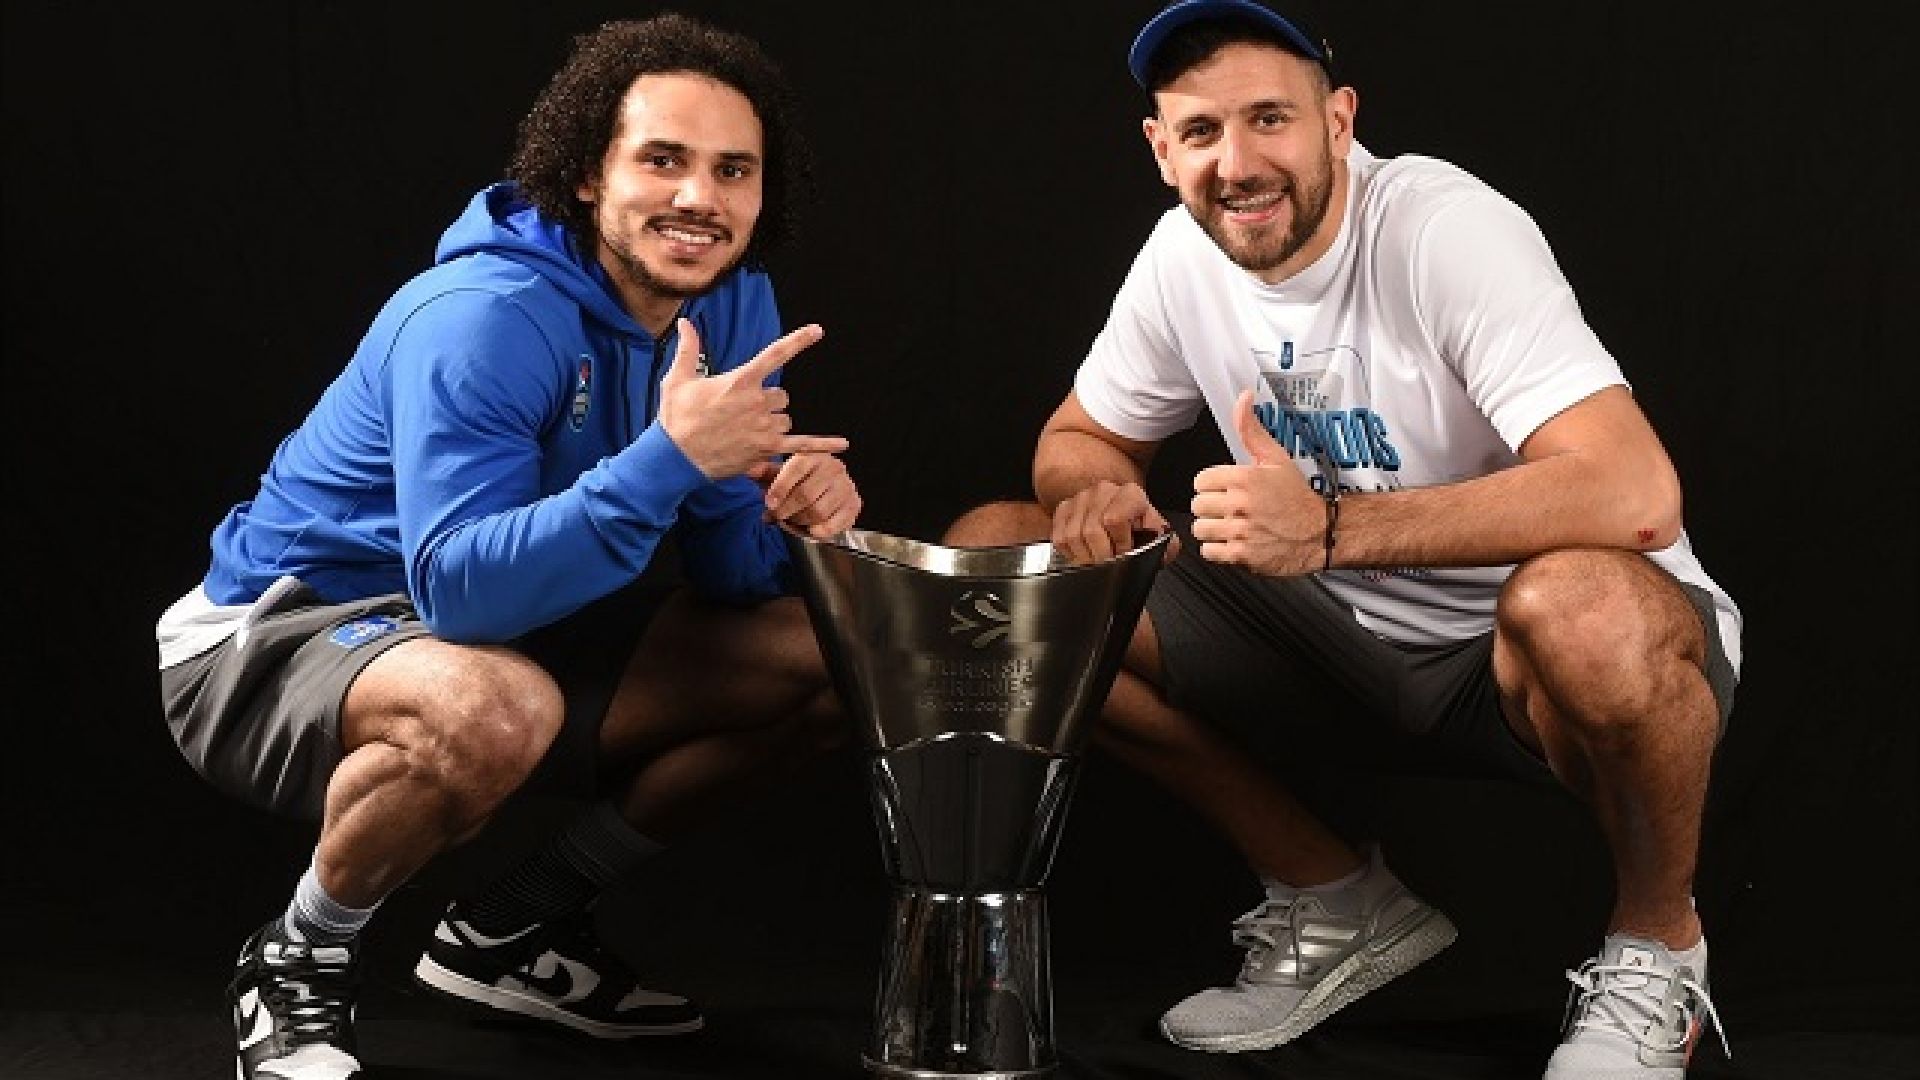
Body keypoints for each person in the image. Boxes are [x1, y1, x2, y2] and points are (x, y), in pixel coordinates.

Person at [946, 2, 1740, 1076]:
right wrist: (1094, 494)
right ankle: (1333, 898)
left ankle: (1659, 945)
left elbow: (1637, 492)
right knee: (1006, 563)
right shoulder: (1183, 252)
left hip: (1522, 660)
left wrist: (1328, 530)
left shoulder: (1442, 231)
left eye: (1269, 118)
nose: (1237, 164)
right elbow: (1080, 437)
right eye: (1201, 131)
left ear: (1338, 120)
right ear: (1161, 149)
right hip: (1332, 648)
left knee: (1584, 609)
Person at [154, 14, 861, 1080]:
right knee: (495, 708)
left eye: (733, 170)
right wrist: (672, 458)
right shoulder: (484, 315)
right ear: (585, 173)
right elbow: (462, 597)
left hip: (511, 623)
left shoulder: (732, 300)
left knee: (836, 658)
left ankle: (511, 929)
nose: (699, 198)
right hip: (274, 638)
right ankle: (297, 958)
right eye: (661, 159)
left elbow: (728, 579)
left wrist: (792, 521)